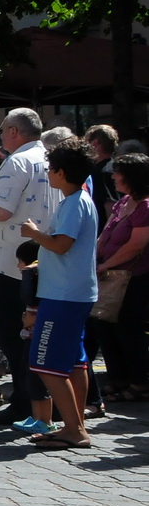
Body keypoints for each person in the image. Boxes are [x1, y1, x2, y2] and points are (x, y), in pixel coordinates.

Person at [0, 109, 60, 426]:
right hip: (42, 255)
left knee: (15, 335)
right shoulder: (48, 158)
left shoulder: (18, 161)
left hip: (9, 261)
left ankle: (24, 401)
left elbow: (1, 211)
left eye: (3, 129)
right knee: (36, 337)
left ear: (14, 132)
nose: (1, 135)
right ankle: (43, 403)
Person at [18, 140, 99, 448]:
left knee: (46, 364)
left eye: (51, 169)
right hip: (73, 292)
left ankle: (74, 429)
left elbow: (62, 245)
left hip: (63, 295)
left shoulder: (75, 202)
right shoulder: (79, 199)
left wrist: (34, 234)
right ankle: (74, 425)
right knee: (75, 363)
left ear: (62, 173)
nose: (48, 174)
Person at [94, 152, 149, 402]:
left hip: (132, 278)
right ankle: (118, 378)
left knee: (128, 330)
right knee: (106, 327)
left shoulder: (145, 206)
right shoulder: (124, 201)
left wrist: (106, 264)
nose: (114, 177)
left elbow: (136, 245)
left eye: (118, 173)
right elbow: (107, 232)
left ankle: (138, 382)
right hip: (110, 275)